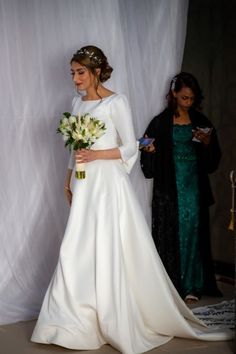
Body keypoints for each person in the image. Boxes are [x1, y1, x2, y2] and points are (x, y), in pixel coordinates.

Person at [31, 49, 231, 354]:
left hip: (108, 184)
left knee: (107, 244)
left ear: (96, 71)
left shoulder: (116, 101)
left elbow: (130, 148)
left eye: (80, 72)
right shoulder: (75, 102)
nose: (75, 78)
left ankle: (110, 312)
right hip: (84, 183)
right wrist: (67, 179)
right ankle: (72, 317)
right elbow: (74, 147)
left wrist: (97, 154)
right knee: (76, 246)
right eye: (72, 73)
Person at [140, 72, 222, 304]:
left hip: (194, 186)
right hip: (168, 188)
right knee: (170, 231)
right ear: (174, 94)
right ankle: (170, 283)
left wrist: (206, 144)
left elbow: (213, 161)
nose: (188, 102)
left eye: (192, 98)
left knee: (193, 231)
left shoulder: (201, 122)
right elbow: (148, 158)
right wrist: (150, 152)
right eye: (184, 97)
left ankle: (192, 284)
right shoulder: (160, 122)